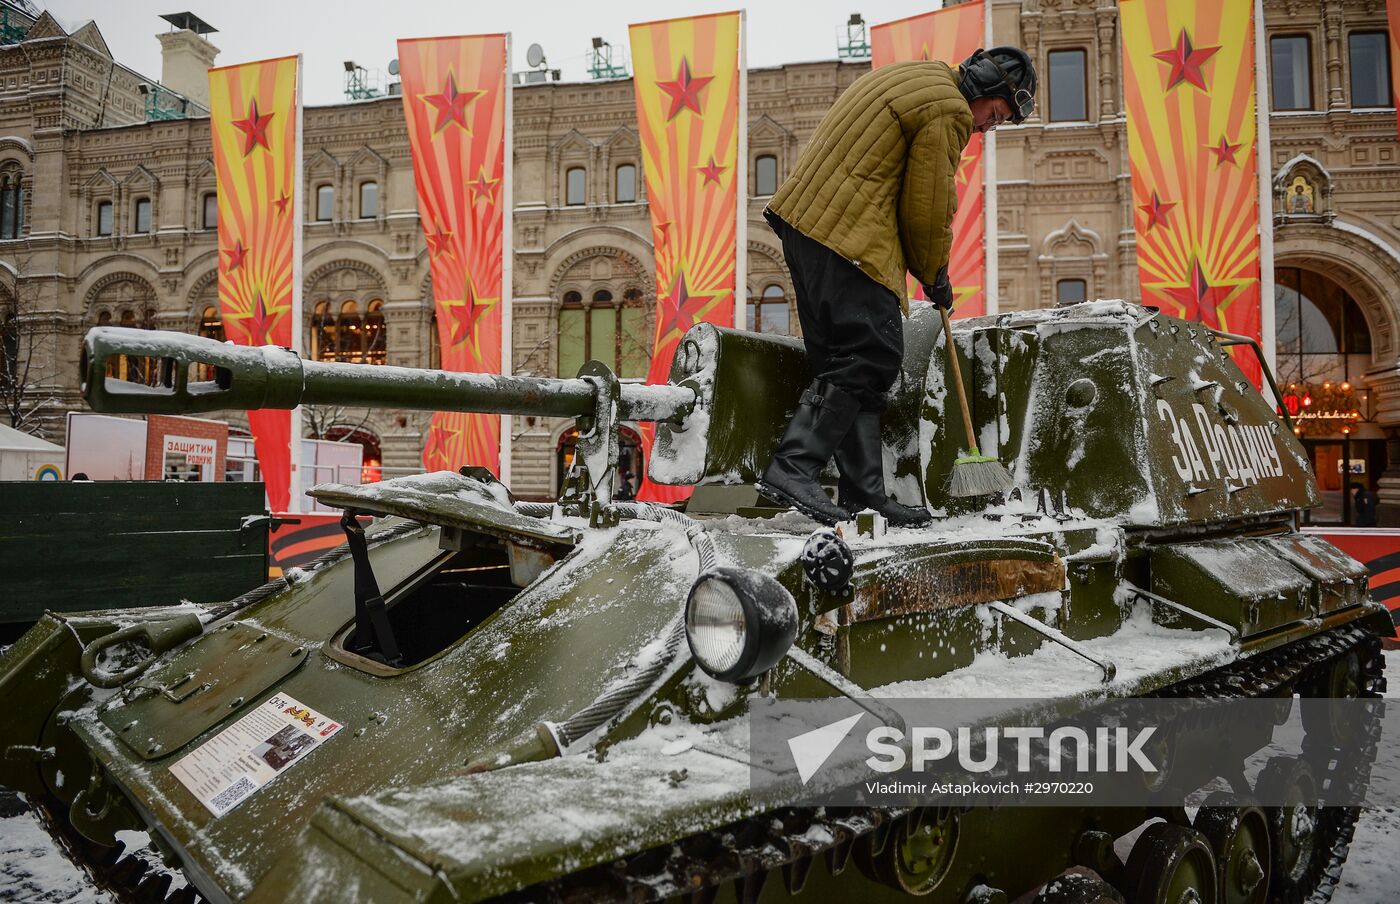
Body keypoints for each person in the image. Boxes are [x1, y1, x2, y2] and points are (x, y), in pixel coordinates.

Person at [759, 47, 1037, 526]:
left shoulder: (916, 77)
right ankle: (794, 466)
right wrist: (936, 274)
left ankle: (864, 493)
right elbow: (926, 206)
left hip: (806, 227)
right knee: (874, 353)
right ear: (985, 86)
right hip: (850, 235)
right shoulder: (948, 109)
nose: (984, 129)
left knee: (843, 359)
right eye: (993, 116)